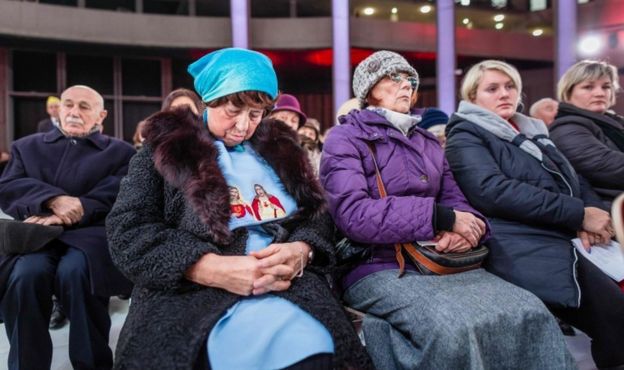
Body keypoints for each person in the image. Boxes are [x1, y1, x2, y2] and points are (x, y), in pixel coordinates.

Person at [106, 48, 371, 370]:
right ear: (209, 100)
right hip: (192, 288)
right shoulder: (165, 148)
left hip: (287, 283)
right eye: (233, 110)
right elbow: (128, 228)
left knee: (321, 353)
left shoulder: (281, 147)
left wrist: (303, 249)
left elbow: (316, 213)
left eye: (256, 114)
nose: (243, 126)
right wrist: (203, 267)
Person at [320, 51, 574, 370]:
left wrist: (469, 231)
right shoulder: (345, 138)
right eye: (393, 78)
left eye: (410, 79)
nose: (406, 85)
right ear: (370, 90)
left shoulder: (426, 140)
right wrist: (439, 218)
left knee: (530, 310)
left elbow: (458, 201)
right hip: (378, 264)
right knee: (455, 328)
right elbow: (354, 215)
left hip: (440, 260)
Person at [444, 59, 624, 369]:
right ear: (472, 97)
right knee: (615, 317)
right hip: (520, 243)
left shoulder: (529, 130)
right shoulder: (466, 134)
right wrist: (578, 214)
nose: (505, 94)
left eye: (510, 86)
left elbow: (572, 178)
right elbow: (493, 191)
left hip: (558, 233)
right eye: (492, 88)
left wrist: (594, 216)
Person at [0, 85, 135, 370]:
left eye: (84, 107)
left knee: (77, 273)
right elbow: (9, 186)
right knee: (26, 276)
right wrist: (52, 200)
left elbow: (119, 192)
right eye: (68, 104)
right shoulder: (26, 147)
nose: (74, 112)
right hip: (37, 235)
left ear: (102, 115)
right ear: (59, 108)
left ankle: (93, 364)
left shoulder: (121, 152)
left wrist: (77, 209)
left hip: (89, 237)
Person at [550, 60, 624, 206]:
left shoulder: (615, 123)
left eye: (606, 87)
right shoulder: (566, 128)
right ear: (568, 92)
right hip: (609, 210)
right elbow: (609, 167)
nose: (599, 93)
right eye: (588, 87)